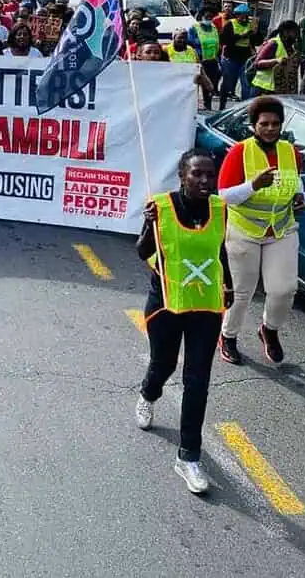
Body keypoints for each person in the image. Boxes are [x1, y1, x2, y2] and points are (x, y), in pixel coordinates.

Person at [134, 149, 232, 494]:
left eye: (210, 174)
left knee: (197, 381)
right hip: (166, 303)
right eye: (197, 174)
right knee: (163, 365)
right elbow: (143, 251)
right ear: (182, 176)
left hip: (206, 306)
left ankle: (188, 456)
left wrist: (228, 285)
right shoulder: (160, 207)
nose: (205, 181)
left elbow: (219, 250)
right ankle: (148, 393)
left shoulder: (220, 208)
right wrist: (150, 225)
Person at [217, 96, 305, 366]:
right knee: (242, 292)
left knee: (284, 289)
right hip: (245, 230)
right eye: (264, 124)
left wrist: (300, 197)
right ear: (253, 125)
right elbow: (224, 196)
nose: (270, 128)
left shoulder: (290, 152)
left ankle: (269, 329)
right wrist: (253, 186)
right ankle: (228, 336)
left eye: (275, 123)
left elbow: (296, 181)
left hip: (281, 229)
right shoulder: (239, 152)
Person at [218, 3, 257, 108]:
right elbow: (224, 40)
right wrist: (241, 36)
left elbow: (257, 41)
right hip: (231, 58)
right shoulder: (230, 24)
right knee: (227, 83)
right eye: (242, 16)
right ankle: (222, 106)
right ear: (237, 15)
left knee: (246, 84)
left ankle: (245, 109)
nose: (244, 18)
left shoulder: (250, 26)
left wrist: (255, 33)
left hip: (245, 59)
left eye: (246, 16)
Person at [251, 20, 302, 96]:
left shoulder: (291, 48)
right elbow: (257, 64)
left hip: (279, 91)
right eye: (294, 33)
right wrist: (276, 61)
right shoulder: (273, 44)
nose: (296, 36)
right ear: (285, 32)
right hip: (263, 89)